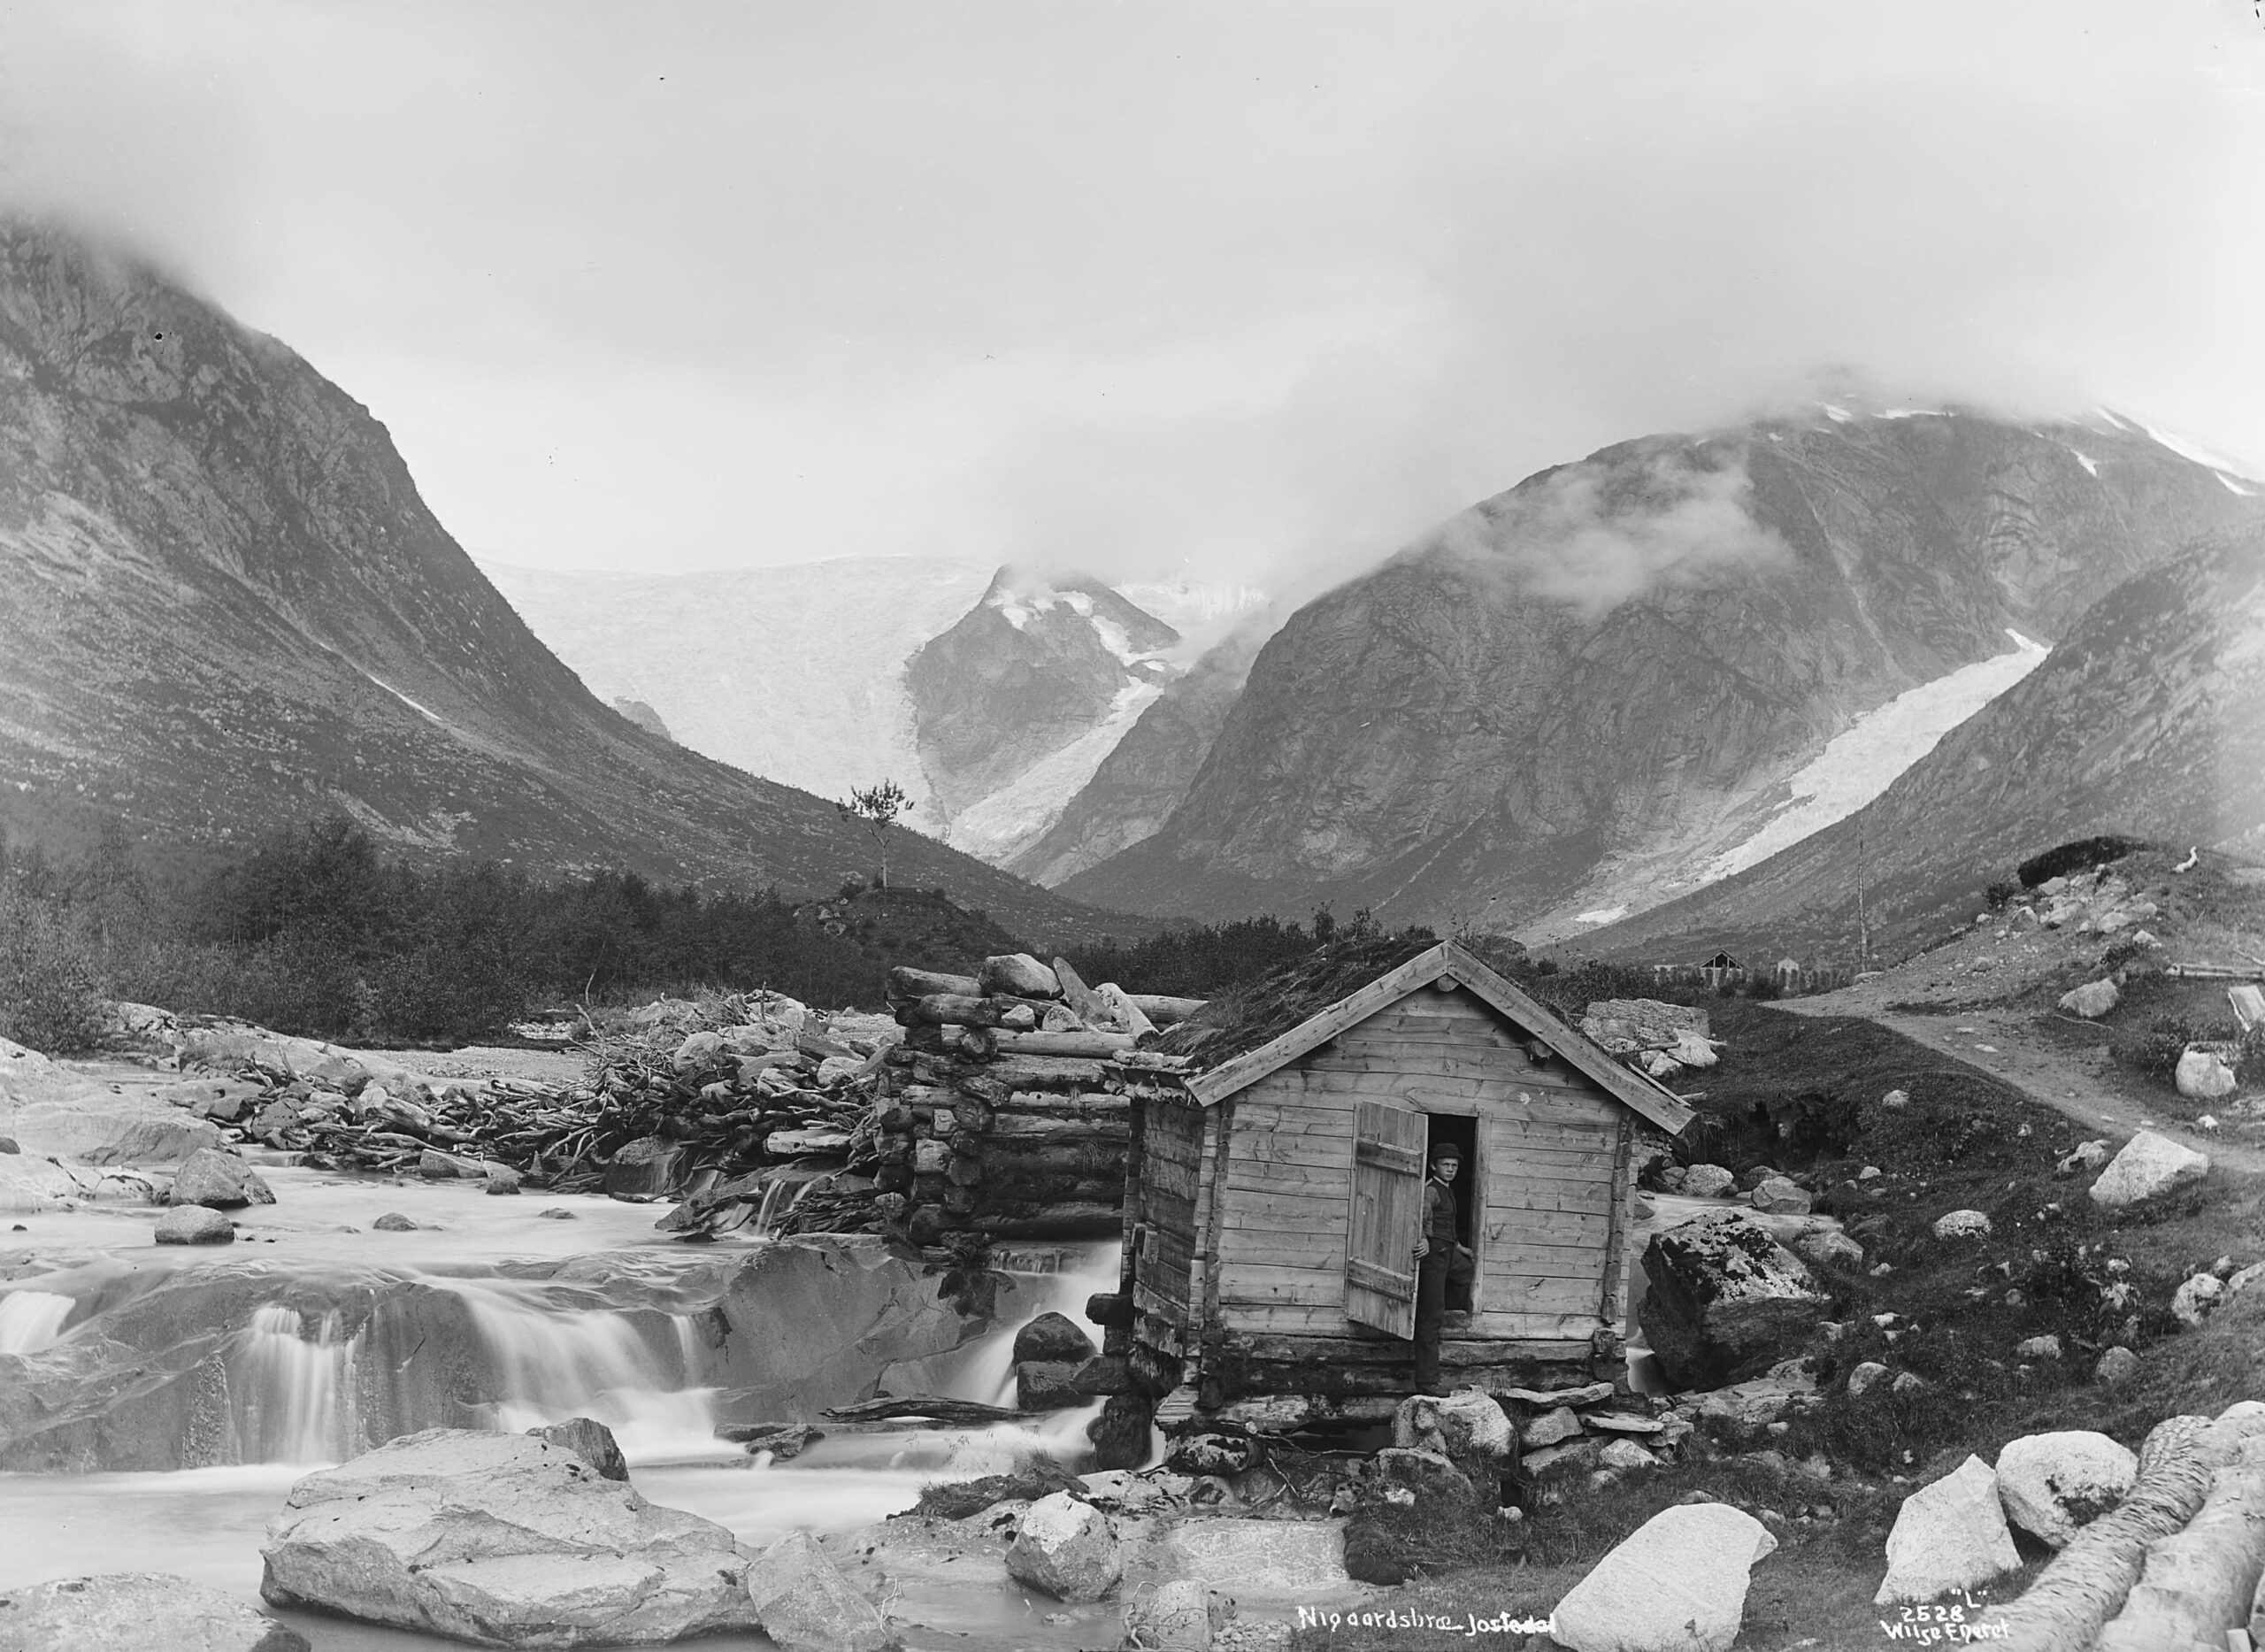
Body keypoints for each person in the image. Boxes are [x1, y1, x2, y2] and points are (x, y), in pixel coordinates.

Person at [1410, 1141, 1476, 1394]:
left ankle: (1448, 1310)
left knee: (1466, 1271)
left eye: (1454, 1166)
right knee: (1430, 1316)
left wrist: (1459, 1247)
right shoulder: (1430, 1190)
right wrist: (1424, 1240)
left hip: (1448, 1250)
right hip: (1434, 1254)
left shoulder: (1447, 1189)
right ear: (1433, 1166)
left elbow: (1447, 1223)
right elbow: (1421, 1217)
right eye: (1445, 1165)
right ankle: (1427, 1382)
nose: (1450, 1169)